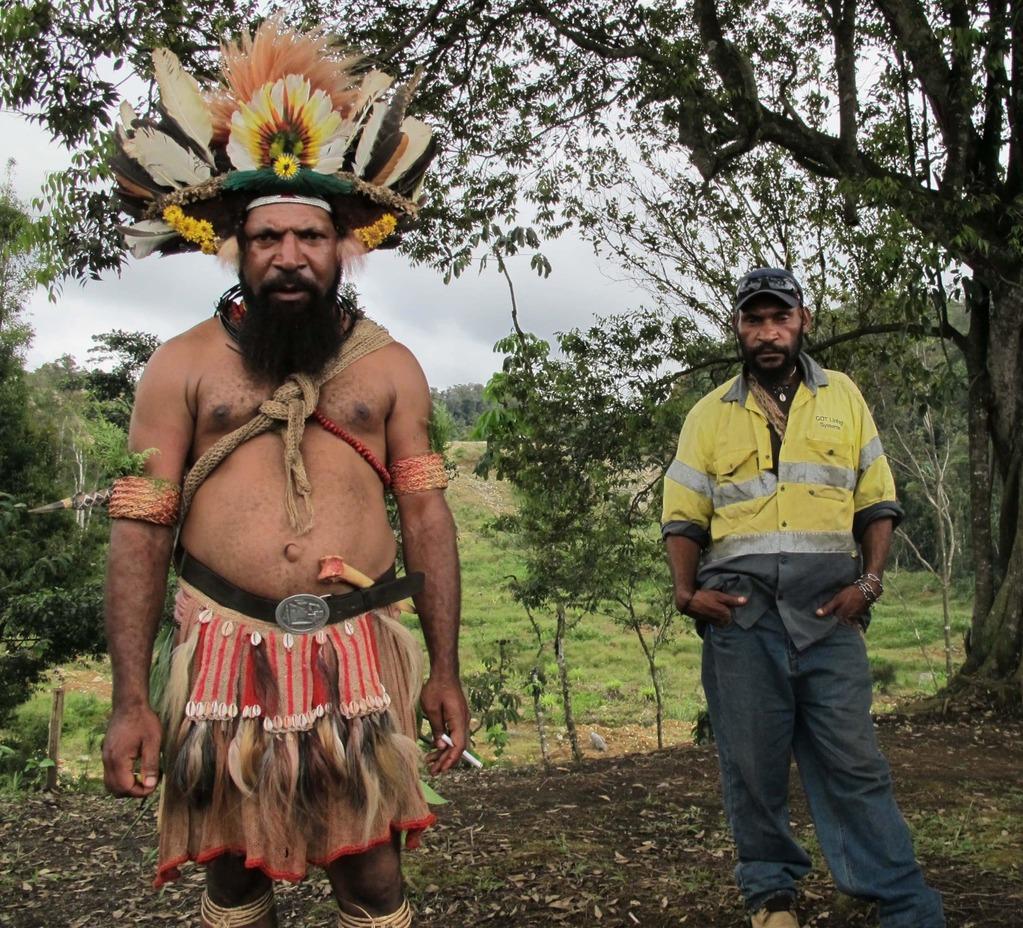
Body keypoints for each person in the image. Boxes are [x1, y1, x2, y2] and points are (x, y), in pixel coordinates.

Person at [99, 20, 469, 928]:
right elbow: (140, 526)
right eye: (268, 239)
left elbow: (426, 520)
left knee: (373, 880)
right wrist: (127, 699)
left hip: (356, 650)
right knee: (233, 877)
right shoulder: (181, 367)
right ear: (237, 246)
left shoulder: (390, 369)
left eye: (310, 237)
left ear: (343, 247)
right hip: (222, 646)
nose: (290, 257)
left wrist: (446, 669)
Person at [661, 268, 945, 928]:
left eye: (778, 318)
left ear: (802, 321)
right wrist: (684, 593)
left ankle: (899, 900)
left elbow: (877, 500)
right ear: (737, 327)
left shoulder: (843, 398)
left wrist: (867, 583)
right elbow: (682, 517)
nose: (766, 333)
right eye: (753, 320)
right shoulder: (708, 414)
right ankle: (770, 895)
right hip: (742, 616)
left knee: (854, 761)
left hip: (828, 614)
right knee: (751, 764)